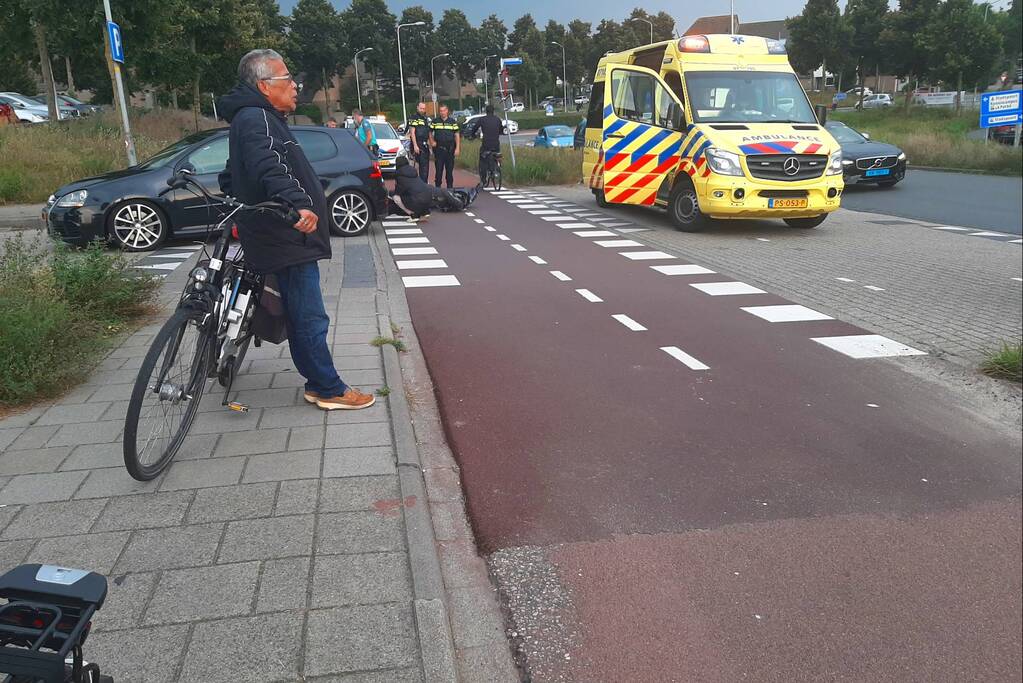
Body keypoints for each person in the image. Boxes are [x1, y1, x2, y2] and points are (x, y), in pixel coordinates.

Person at [217, 49, 374, 411]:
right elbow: (268, 164)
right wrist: (299, 202)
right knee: (308, 315)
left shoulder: (258, 117)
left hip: (278, 230)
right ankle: (326, 387)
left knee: (300, 312)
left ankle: (320, 382)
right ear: (264, 85)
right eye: (287, 78)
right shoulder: (256, 117)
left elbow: (234, 170)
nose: (294, 85)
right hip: (285, 233)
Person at [389, 156, 480, 220]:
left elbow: (399, 192)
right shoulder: (413, 172)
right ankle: (424, 212)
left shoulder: (399, 176)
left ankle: (412, 214)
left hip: (418, 201)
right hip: (428, 197)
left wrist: (391, 193)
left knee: (396, 197)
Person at [465, 104, 503, 179]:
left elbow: (474, 128)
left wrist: (472, 135)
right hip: (496, 144)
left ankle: (483, 179)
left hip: (486, 144)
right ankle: (497, 167)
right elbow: (501, 130)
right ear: (493, 111)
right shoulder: (498, 119)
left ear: (486, 111)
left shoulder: (482, 119)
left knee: (482, 158)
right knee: (497, 153)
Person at [429, 104, 460, 188]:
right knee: (438, 171)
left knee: (449, 172)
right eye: (441, 111)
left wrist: (457, 148)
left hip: (450, 149)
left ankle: (450, 190)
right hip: (439, 149)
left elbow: (457, 135)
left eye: (444, 111)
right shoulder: (435, 121)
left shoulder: (452, 122)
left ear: (447, 111)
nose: (442, 112)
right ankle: (437, 189)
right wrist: (432, 141)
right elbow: (430, 132)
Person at [405, 102, 432, 183]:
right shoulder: (414, 118)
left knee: (425, 167)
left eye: (424, 108)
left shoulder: (426, 119)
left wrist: (430, 146)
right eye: (421, 108)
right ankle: (417, 184)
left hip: (425, 144)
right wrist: (415, 145)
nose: (422, 110)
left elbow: (428, 133)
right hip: (417, 143)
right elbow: (412, 132)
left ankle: (424, 183)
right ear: (417, 107)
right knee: (416, 167)